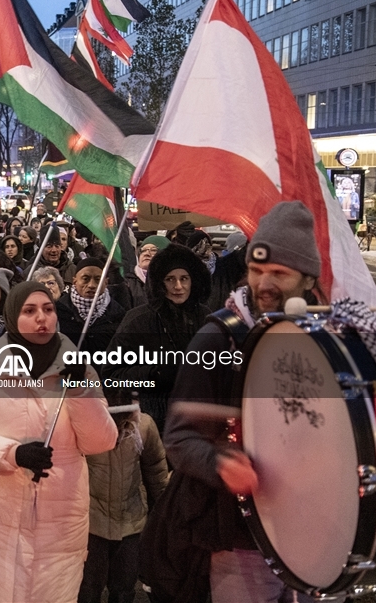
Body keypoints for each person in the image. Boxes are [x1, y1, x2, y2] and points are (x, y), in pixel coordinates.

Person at [147, 202, 322, 603]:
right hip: (241, 539)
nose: (264, 283)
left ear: (307, 279)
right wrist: (221, 463)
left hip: (315, 535)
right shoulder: (218, 339)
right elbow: (179, 437)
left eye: (279, 273)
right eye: (257, 271)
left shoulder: (327, 337)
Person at [0, 282, 118, 602]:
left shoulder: (76, 366)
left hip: (61, 524)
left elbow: (101, 441)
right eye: (29, 311)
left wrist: (80, 390)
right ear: (13, 317)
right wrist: (13, 453)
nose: (41, 318)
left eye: (48, 309)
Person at [104, 244, 212, 434]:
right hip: (153, 423)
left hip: (198, 422)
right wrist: (155, 374)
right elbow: (112, 377)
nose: (178, 286)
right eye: (170, 279)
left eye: (184, 279)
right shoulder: (138, 320)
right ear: (160, 283)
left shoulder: (205, 317)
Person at [78, 390, 168, 603]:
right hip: (93, 524)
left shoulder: (143, 427)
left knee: (124, 589)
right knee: (88, 588)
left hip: (131, 522)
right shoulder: (87, 427)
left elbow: (155, 469)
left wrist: (164, 511)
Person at [55, 258, 127, 360]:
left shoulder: (118, 315)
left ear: (106, 282)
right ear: (74, 281)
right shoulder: (59, 311)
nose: (92, 285)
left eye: (98, 279)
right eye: (85, 278)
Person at [122, 235, 169, 310]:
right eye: (143, 250)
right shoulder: (127, 283)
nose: (146, 253)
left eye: (153, 250)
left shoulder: (172, 282)